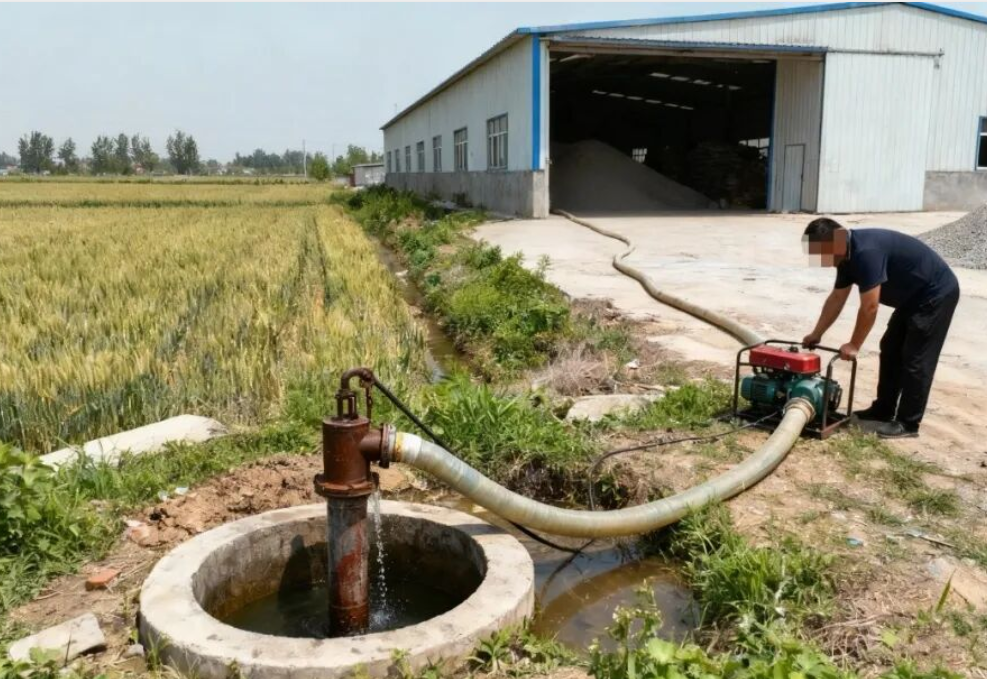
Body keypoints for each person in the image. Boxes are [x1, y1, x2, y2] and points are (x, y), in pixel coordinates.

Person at [801, 217, 960, 439]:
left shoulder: (865, 253)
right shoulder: (845, 257)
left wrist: (854, 344)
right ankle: (883, 410)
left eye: (821, 252)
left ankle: (908, 423)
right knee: (891, 348)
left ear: (835, 242)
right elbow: (837, 298)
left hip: (935, 294)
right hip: (911, 298)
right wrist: (816, 333)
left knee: (916, 358)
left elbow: (870, 307)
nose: (821, 259)